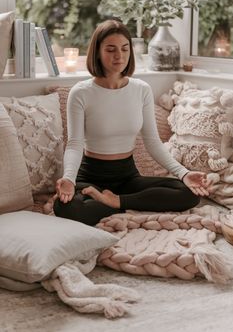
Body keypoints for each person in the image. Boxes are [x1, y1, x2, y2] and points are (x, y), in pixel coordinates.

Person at [53, 19, 212, 226]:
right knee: (64, 207)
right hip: (91, 177)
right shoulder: (81, 92)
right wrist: (69, 179)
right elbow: (74, 144)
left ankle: (115, 202)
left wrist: (184, 174)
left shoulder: (141, 89)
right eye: (111, 49)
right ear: (97, 52)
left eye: (124, 49)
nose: (119, 56)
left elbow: (153, 142)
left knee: (188, 193)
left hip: (128, 177)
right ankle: (119, 202)